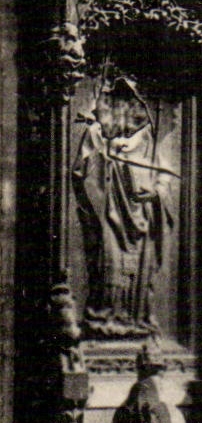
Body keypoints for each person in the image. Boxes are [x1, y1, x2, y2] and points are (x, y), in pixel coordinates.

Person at [72, 73, 177, 338]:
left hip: (140, 216)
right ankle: (106, 316)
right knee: (110, 263)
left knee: (139, 270)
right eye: (117, 101)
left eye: (129, 101)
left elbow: (164, 174)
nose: (123, 108)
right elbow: (80, 174)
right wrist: (106, 167)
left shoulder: (146, 139)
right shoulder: (96, 133)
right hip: (109, 215)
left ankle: (136, 318)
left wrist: (154, 192)